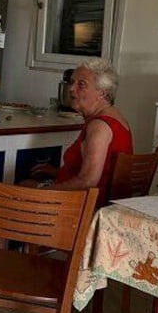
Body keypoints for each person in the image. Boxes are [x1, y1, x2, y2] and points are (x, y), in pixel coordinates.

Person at [29, 58, 133, 206]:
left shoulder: (100, 126)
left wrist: (47, 192)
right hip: (96, 201)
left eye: (81, 84)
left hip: (85, 206)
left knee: (19, 188)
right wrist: (56, 172)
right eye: (72, 82)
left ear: (102, 93)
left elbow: (87, 181)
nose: (71, 89)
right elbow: (102, 172)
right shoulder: (115, 117)